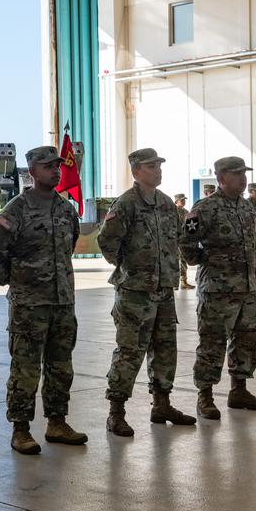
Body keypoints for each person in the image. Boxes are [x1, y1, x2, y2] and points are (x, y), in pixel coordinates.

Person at [0, 146, 88, 455]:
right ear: (32, 172)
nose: (55, 171)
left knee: (61, 365)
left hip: (62, 301)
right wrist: (12, 281)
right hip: (30, 303)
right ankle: (21, 429)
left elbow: (68, 246)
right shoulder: (16, 210)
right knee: (26, 368)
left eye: (57, 166)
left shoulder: (66, 209)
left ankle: (57, 422)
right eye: (47, 167)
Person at [98, 148, 196, 437]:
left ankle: (161, 404)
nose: (158, 170)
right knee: (130, 352)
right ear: (137, 171)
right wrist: (130, 268)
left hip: (164, 290)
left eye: (159, 165)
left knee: (166, 349)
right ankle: (116, 413)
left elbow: (176, 240)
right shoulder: (126, 204)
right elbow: (107, 242)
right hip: (134, 293)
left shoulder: (166, 204)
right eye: (152, 166)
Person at [181, 157, 256, 419]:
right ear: (221, 178)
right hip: (217, 290)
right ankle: (205, 396)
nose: (243, 178)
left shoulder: (247, 208)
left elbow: (254, 247)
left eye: (244, 173)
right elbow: (186, 241)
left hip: (246, 289)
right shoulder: (205, 208)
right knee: (212, 343)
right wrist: (202, 261)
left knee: (246, 340)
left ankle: (238, 390)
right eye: (236, 174)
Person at [173, 193, 195, 290]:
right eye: (181, 200)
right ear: (176, 201)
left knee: (183, 261)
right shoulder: (173, 211)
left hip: (184, 240)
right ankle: (174, 283)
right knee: (174, 262)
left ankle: (183, 281)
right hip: (175, 240)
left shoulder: (186, 211)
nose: (183, 201)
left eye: (184, 200)